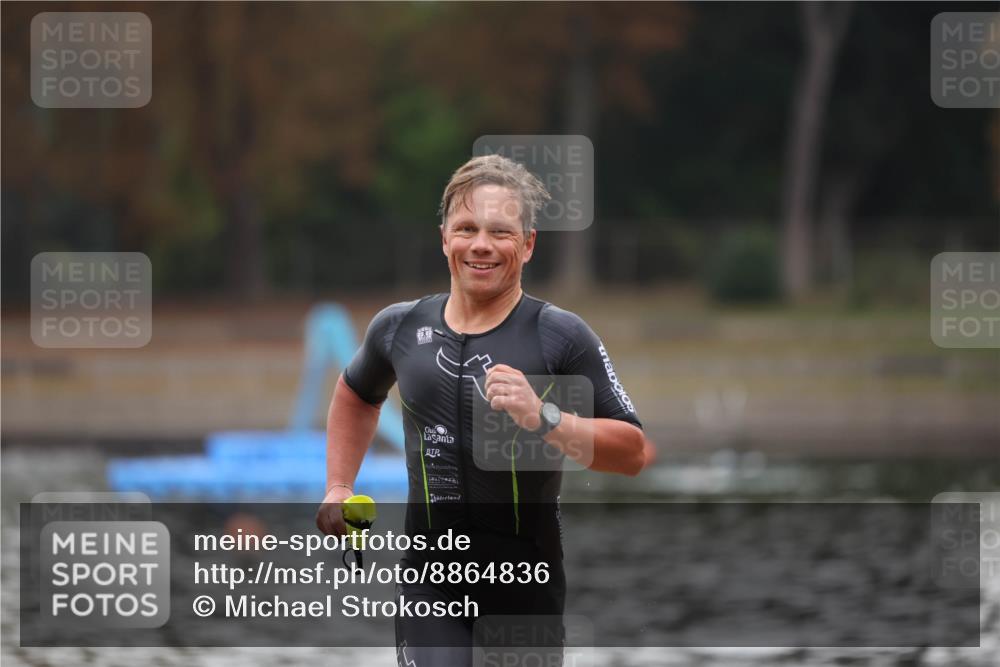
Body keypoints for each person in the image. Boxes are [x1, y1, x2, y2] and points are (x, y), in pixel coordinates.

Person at [316, 154, 653, 666]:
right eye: (466, 228)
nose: (480, 245)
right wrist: (339, 484)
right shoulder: (399, 329)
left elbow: (631, 452)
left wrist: (545, 418)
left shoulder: (558, 335)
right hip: (430, 582)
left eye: (500, 232)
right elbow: (355, 395)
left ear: (528, 243)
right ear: (444, 237)